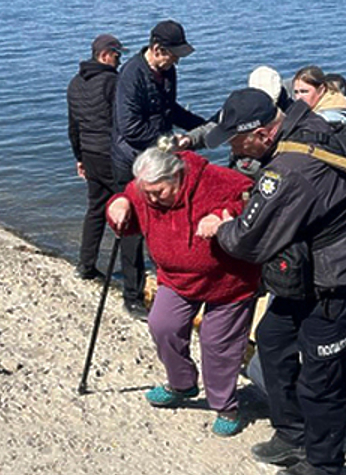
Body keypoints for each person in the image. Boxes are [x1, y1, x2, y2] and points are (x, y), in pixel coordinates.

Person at [200, 88, 346, 475]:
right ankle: (292, 433)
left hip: (339, 281)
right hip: (308, 271)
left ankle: (323, 464)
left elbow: (248, 241)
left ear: (263, 133)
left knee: (322, 378)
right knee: (272, 338)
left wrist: (221, 227)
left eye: (237, 141)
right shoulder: (314, 123)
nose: (234, 150)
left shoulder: (287, 170)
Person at [106, 147, 258, 436]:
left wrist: (222, 216)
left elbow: (255, 200)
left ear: (176, 176)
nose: (150, 199)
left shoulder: (216, 180)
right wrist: (119, 203)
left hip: (230, 280)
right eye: (145, 192)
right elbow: (127, 208)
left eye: (158, 192)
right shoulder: (143, 189)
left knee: (217, 344)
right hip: (176, 278)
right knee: (163, 325)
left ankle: (225, 406)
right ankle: (181, 384)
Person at [109, 20, 207, 320]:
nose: (176, 61)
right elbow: (131, 128)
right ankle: (132, 295)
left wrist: (202, 125)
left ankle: (170, 280)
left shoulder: (167, 71)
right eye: (172, 55)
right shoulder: (131, 75)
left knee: (167, 217)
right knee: (132, 229)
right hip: (131, 159)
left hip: (158, 156)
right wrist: (170, 143)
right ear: (156, 49)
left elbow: (171, 109)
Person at [66, 34, 126, 280]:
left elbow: (73, 127)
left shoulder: (75, 83)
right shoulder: (112, 81)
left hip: (89, 154)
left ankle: (85, 264)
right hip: (110, 155)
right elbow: (122, 121)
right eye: (117, 55)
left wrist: (79, 157)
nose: (120, 61)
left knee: (96, 209)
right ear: (104, 55)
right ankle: (133, 276)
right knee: (128, 206)